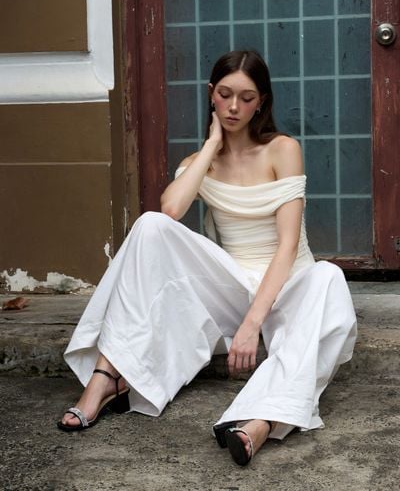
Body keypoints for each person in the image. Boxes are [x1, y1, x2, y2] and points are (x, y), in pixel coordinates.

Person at [57, 50, 357, 467]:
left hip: (290, 286)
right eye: (225, 95)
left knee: (328, 277)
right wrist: (213, 144)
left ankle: (260, 421)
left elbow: (288, 246)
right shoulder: (200, 163)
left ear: (261, 103)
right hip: (233, 287)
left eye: (247, 98)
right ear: (211, 94)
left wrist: (252, 325)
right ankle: (106, 376)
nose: (234, 107)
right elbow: (170, 210)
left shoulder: (282, 149)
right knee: (149, 226)